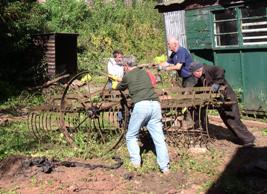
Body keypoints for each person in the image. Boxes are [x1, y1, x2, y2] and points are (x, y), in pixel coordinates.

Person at [116, 56, 170, 174]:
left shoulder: (128, 75)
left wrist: (117, 83)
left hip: (142, 106)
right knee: (159, 139)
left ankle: (135, 163)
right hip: (155, 105)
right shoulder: (145, 72)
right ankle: (165, 167)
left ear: (126, 66)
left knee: (131, 135)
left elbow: (120, 87)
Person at [188, 62, 256, 147]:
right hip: (219, 100)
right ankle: (242, 137)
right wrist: (192, 91)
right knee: (227, 120)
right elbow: (199, 86)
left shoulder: (209, 69)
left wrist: (217, 83)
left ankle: (248, 140)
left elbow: (220, 70)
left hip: (227, 97)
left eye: (193, 74)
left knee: (233, 118)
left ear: (198, 71)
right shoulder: (202, 76)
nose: (193, 76)